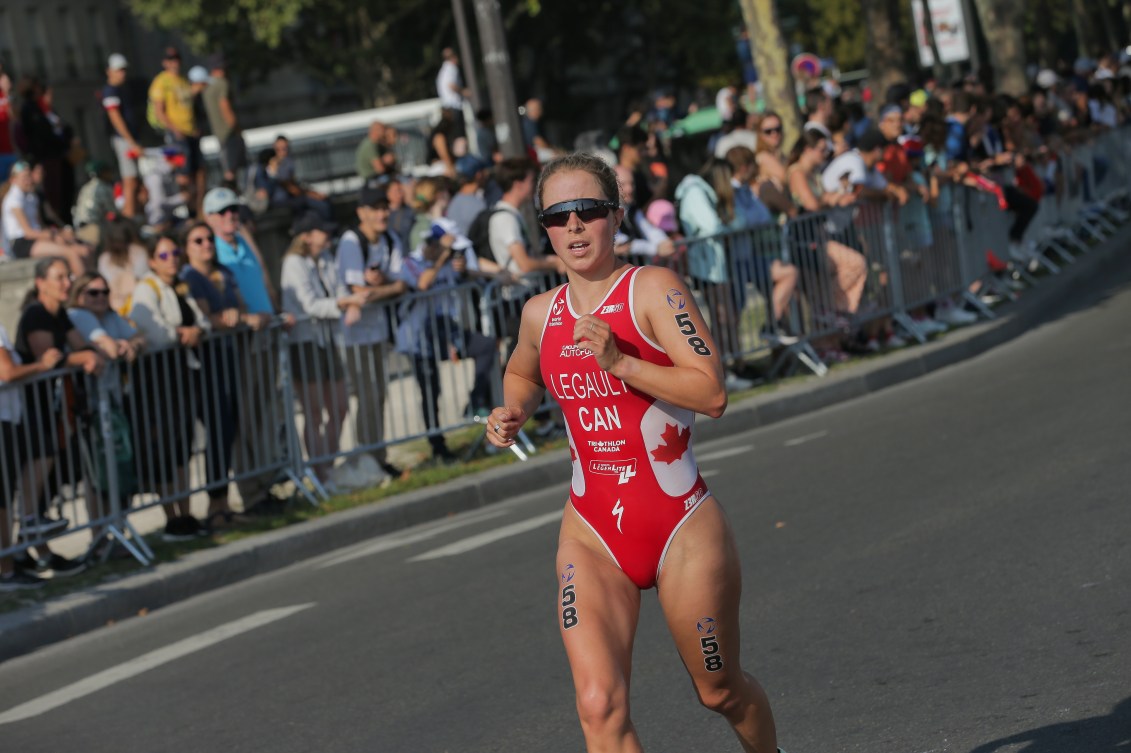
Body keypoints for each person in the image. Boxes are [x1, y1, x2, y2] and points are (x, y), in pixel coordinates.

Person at [486, 152, 780, 753]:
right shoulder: (541, 313)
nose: (573, 227)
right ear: (543, 227)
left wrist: (621, 362)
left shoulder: (651, 289)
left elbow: (712, 392)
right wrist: (513, 411)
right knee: (598, 705)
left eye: (588, 211)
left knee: (719, 689)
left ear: (615, 218)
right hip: (591, 532)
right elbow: (523, 371)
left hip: (679, 524)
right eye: (557, 216)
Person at [12, 256, 102, 577]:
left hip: (54, 407)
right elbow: (48, 358)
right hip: (31, 407)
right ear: (41, 283)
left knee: (51, 474)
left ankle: (36, 550)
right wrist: (85, 357)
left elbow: (80, 345)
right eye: (59, 277)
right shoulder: (36, 314)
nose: (67, 283)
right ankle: (29, 541)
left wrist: (99, 351)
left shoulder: (59, 313)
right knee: (39, 467)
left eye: (67, 276)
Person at [203, 186, 286, 514]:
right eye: (223, 213)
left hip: (265, 334)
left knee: (263, 413)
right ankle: (251, 491)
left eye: (234, 211)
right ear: (210, 218)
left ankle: (264, 484)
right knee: (247, 418)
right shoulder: (215, 253)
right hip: (242, 340)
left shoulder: (242, 243)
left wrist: (276, 313)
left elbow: (264, 281)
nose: (230, 217)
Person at [179, 220, 260, 528]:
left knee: (228, 430)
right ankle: (214, 506)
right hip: (204, 365)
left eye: (208, 239)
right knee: (215, 432)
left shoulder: (223, 273)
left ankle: (224, 503)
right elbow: (206, 318)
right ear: (187, 248)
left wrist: (244, 317)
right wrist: (227, 320)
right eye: (197, 241)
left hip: (228, 358)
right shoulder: (190, 277)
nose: (205, 245)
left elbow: (236, 309)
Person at [128, 233, 209, 540]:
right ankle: (171, 516)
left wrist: (197, 330)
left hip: (181, 374)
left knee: (182, 447)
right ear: (151, 261)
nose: (172, 258)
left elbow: (203, 321)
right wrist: (182, 334)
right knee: (164, 448)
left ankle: (186, 512)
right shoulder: (146, 290)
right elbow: (156, 333)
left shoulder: (180, 288)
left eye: (175, 253)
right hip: (156, 379)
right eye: (163, 255)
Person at [396, 217, 496, 462]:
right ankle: (438, 447)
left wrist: (464, 269)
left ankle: (475, 402)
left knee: (487, 346)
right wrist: (442, 257)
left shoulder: (449, 261)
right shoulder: (411, 262)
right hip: (417, 338)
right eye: (448, 248)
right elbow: (423, 283)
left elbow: (466, 278)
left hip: (446, 330)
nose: (453, 254)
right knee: (432, 391)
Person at [281, 212, 362, 487]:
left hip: (326, 338)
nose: (326, 235)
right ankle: (318, 470)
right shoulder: (293, 263)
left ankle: (326, 464)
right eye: (320, 231)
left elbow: (337, 289)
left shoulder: (326, 258)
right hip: (305, 341)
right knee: (314, 411)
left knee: (339, 406)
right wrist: (344, 304)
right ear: (306, 236)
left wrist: (345, 301)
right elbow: (310, 304)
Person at [336, 184, 409, 480]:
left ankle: (377, 456)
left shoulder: (390, 238)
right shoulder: (351, 242)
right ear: (361, 212)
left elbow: (401, 284)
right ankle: (367, 458)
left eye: (384, 208)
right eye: (375, 209)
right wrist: (382, 289)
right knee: (367, 396)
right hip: (354, 335)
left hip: (377, 330)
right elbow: (358, 291)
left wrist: (377, 289)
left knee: (379, 395)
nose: (382, 214)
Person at [0, 321, 62, 590]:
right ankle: (7, 571)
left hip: (9, 419)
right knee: (1, 500)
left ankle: (17, 552)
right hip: (2, 420)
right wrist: (41, 364)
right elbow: (7, 372)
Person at [786, 129, 868, 320]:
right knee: (854, 264)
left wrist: (835, 197)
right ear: (807, 149)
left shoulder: (813, 172)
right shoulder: (797, 172)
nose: (825, 154)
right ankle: (833, 310)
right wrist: (833, 199)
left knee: (825, 284)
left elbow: (820, 199)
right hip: (802, 240)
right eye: (822, 149)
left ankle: (834, 315)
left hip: (817, 236)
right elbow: (811, 204)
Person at [2, 160, 92, 275]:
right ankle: (83, 287)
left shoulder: (31, 197)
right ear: (13, 180)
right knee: (71, 253)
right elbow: (28, 232)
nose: (28, 180)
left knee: (84, 250)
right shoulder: (13, 200)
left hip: (35, 238)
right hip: (22, 243)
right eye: (24, 177)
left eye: (29, 176)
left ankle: (88, 280)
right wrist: (54, 234)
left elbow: (40, 226)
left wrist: (60, 233)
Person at [148, 47, 205, 217]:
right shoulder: (161, 82)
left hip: (190, 132)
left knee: (199, 171)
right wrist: (174, 129)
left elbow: (186, 104)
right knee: (183, 174)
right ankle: (190, 211)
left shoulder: (181, 80)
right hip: (177, 135)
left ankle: (199, 208)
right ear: (165, 63)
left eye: (177, 59)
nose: (175, 63)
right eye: (171, 60)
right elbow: (160, 111)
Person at [101, 53, 143, 219]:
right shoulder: (110, 91)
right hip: (123, 140)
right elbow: (115, 118)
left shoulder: (122, 89)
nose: (122, 73)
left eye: (124, 70)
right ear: (109, 71)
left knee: (135, 181)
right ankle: (129, 216)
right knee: (130, 179)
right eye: (119, 70)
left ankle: (135, 214)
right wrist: (131, 142)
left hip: (129, 139)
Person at [201, 54, 248, 192]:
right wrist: (236, 126)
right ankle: (232, 196)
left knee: (228, 167)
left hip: (219, 132)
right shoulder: (222, 83)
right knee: (232, 171)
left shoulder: (208, 87)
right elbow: (225, 106)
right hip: (229, 132)